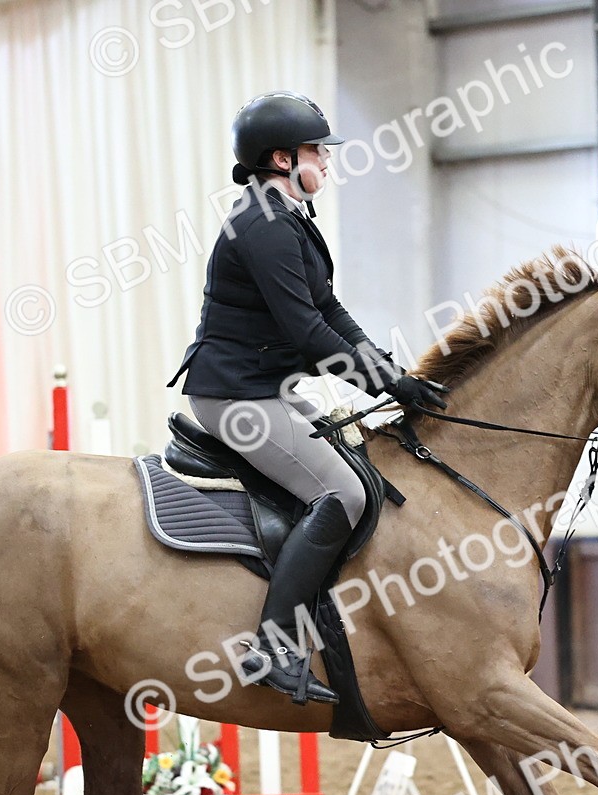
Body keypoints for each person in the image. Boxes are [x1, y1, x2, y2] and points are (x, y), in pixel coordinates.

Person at [167, 91, 449, 705]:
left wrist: (392, 373)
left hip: (263, 390)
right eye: (316, 150)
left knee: (355, 466)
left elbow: (331, 313)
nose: (326, 159)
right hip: (235, 399)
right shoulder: (264, 224)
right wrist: (383, 383)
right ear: (280, 158)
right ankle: (271, 645)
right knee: (342, 492)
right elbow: (308, 334)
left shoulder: (287, 217)